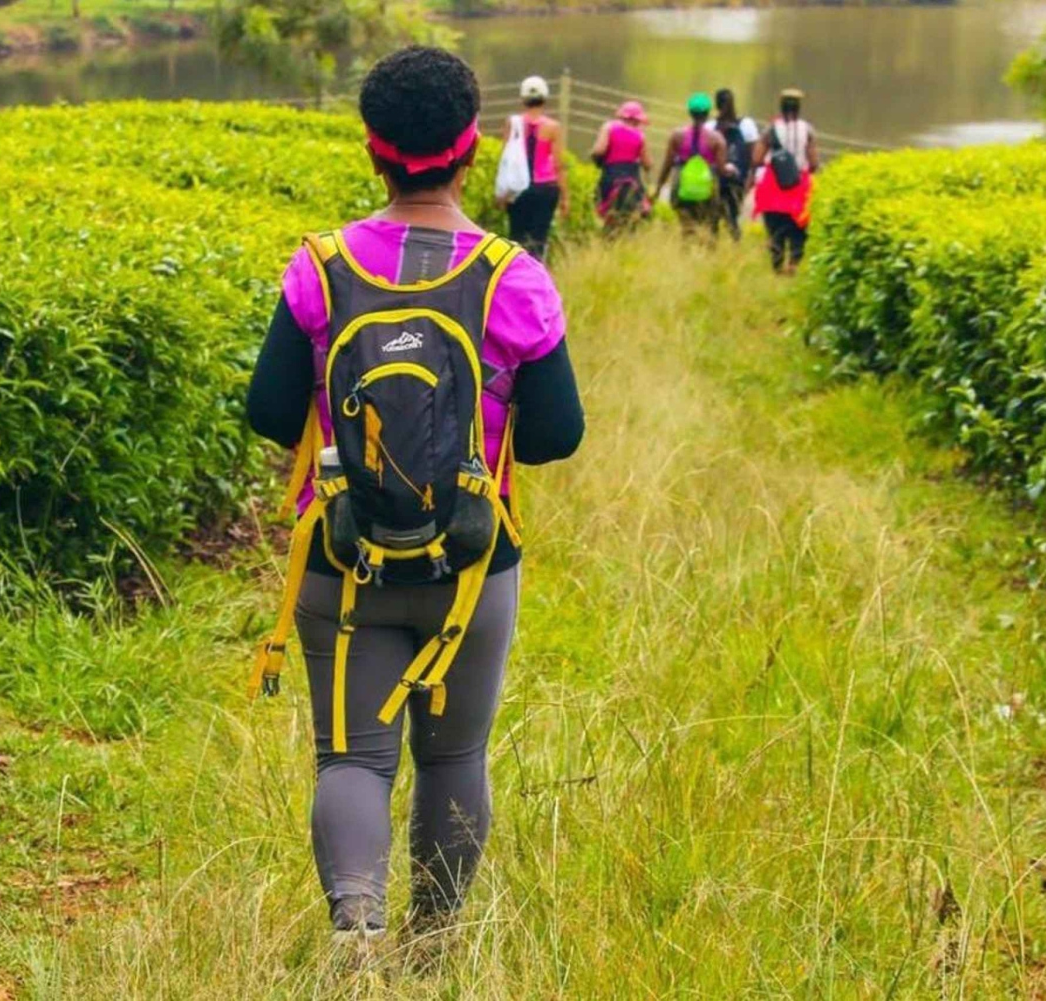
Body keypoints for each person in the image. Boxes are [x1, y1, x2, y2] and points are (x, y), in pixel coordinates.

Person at [245, 46, 584, 948]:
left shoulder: (319, 267)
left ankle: (357, 928)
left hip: (342, 555)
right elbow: (555, 435)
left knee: (352, 757)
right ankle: (432, 945)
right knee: (454, 755)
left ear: (373, 149)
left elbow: (269, 412)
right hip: (473, 562)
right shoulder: (513, 277)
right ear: (470, 149)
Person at [753, 87, 819, 274]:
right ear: (798, 108)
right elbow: (814, 163)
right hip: (799, 186)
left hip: (774, 186)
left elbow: (757, 159)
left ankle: (777, 267)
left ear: (781, 107)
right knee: (798, 229)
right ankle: (793, 264)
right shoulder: (808, 130)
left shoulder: (770, 130)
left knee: (775, 228)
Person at [505, 75, 569, 261]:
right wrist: (565, 196)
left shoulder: (513, 123)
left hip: (518, 188)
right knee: (539, 238)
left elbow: (506, 160)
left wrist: (502, 191)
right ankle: (536, 271)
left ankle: (514, 273)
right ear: (545, 98)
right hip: (545, 188)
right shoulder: (553, 127)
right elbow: (558, 165)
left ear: (523, 98)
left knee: (516, 238)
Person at [655, 92, 727, 236]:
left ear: (690, 112)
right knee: (706, 228)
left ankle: (687, 245)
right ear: (708, 114)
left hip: (682, 188)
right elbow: (721, 170)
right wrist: (730, 170)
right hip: (706, 190)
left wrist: (658, 188)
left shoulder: (677, 135)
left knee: (687, 228)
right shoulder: (717, 139)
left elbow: (667, 165)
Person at [590, 100, 652, 234]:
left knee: (603, 209)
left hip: (610, 177)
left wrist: (595, 158)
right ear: (637, 120)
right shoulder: (640, 136)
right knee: (639, 211)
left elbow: (599, 150)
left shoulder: (608, 127)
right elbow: (647, 164)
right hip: (632, 180)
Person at [707, 88, 758, 241]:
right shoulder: (747, 124)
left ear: (716, 105)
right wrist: (750, 181)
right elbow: (754, 157)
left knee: (713, 219)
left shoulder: (710, 127)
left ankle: (712, 248)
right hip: (737, 181)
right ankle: (735, 247)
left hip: (715, 180)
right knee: (732, 218)